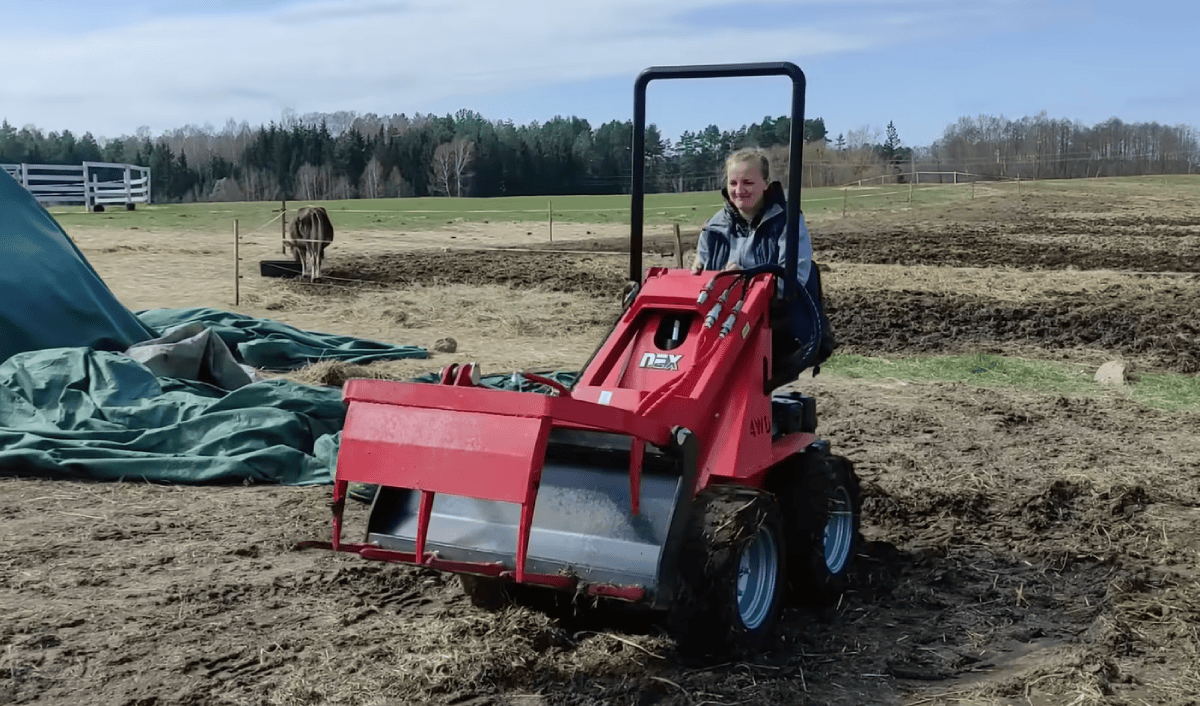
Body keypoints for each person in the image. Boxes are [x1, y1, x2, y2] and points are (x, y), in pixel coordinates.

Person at [691, 147, 834, 379]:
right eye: (733, 183)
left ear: (766, 183)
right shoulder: (713, 228)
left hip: (774, 325)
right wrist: (700, 274)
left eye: (748, 182)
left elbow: (793, 278)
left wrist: (745, 278)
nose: (739, 190)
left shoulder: (787, 221)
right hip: (722, 325)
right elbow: (704, 279)